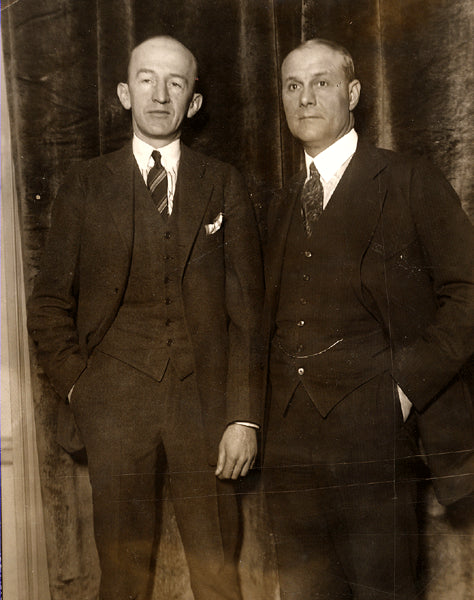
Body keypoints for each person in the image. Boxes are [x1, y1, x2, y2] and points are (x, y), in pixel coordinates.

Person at [28, 35, 263, 600]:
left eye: (176, 83)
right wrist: (81, 388)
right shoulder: (84, 185)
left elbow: (248, 315)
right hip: (113, 405)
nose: (161, 95)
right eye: (147, 80)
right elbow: (49, 305)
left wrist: (243, 418)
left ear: (195, 102)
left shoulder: (223, 182)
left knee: (217, 576)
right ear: (124, 94)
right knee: (122, 579)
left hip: (205, 409)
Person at [262, 38, 474, 599]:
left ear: (353, 92)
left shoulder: (408, 180)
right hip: (287, 440)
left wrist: (406, 386)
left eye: (322, 82)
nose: (305, 98)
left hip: (375, 430)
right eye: (292, 85)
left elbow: (468, 292)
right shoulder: (278, 203)